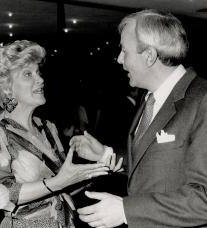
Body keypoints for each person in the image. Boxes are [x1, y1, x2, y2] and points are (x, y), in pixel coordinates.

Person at [71, 9, 207, 228]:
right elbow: (156, 159)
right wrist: (106, 154)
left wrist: (126, 210)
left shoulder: (202, 100)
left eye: (125, 51)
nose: (119, 59)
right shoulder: (151, 98)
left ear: (149, 55)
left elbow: (204, 200)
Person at [0, 40, 122, 227]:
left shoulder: (47, 127)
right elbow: (3, 196)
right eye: (28, 74)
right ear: (7, 87)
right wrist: (59, 182)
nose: (40, 80)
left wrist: (100, 166)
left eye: (38, 73)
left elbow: (64, 185)